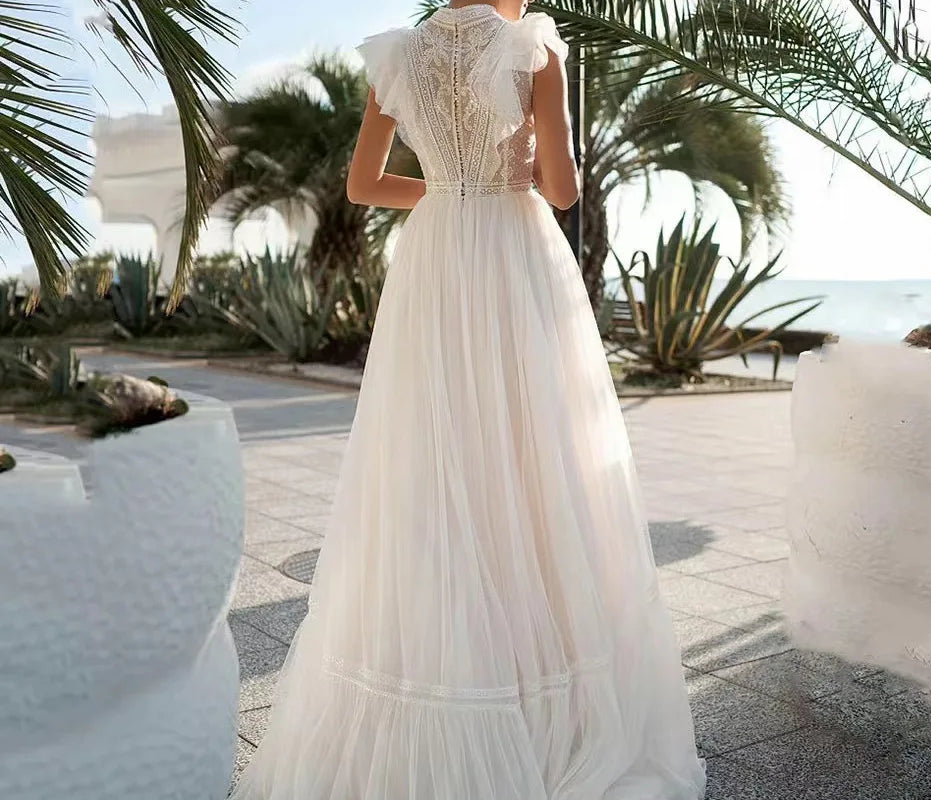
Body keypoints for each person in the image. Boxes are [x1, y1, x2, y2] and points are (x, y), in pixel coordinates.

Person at [229, 2, 706, 798]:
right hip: (513, 260)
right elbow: (560, 190)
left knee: (437, 452)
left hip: (436, 260)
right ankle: (540, 673)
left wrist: (451, 192)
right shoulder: (532, 48)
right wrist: (506, 176)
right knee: (533, 453)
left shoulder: (398, 56)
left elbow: (362, 183)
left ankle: (449, 649)